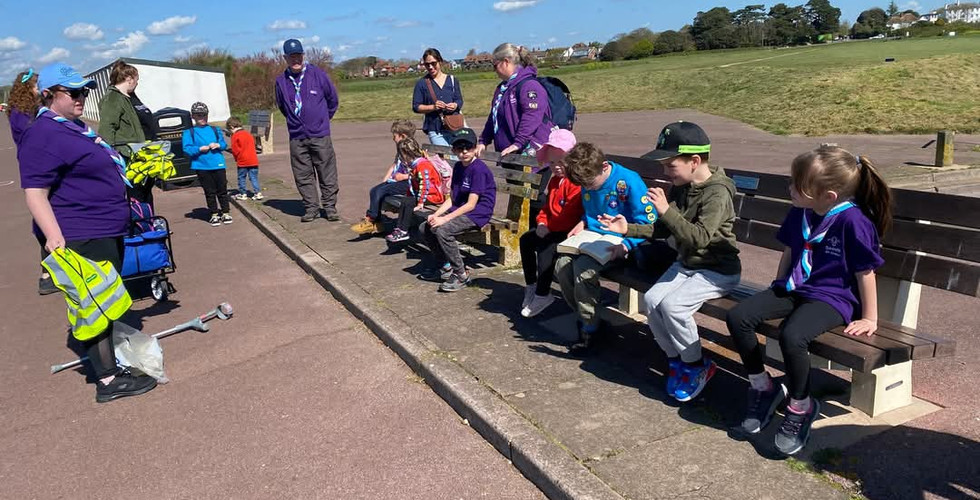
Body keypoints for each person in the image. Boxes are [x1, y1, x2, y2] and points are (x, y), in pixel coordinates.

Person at [725, 145, 891, 456]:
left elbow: (865, 273)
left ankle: (800, 406)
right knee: (739, 317)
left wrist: (870, 318)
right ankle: (763, 386)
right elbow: (790, 251)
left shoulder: (853, 222)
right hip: (795, 288)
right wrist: (777, 286)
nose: (790, 188)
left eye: (797, 185)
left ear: (828, 196)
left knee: (793, 335)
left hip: (833, 298)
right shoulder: (801, 211)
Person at [18, 62, 157, 402]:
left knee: (105, 302)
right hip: (81, 233)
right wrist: (53, 237)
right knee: (93, 307)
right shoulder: (42, 133)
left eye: (85, 90)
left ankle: (111, 365)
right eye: (74, 92)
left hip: (105, 228)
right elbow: (35, 191)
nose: (83, 97)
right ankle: (108, 380)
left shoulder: (73, 127)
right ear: (49, 95)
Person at [599, 122, 741, 402]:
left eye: (670, 165)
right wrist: (627, 228)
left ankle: (697, 364)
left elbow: (700, 238)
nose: (665, 172)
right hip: (687, 264)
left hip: (716, 270)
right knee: (652, 300)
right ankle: (677, 360)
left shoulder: (717, 192)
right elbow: (664, 229)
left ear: (695, 161)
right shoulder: (683, 185)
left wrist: (665, 210)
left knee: (674, 307)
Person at [555, 142, 657, 354]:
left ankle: (590, 329)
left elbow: (648, 222)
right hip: (593, 237)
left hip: (623, 243)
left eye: (591, 184)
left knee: (583, 271)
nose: (590, 188)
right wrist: (582, 222)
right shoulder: (588, 178)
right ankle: (588, 317)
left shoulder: (628, 181)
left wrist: (626, 244)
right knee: (562, 265)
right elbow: (591, 211)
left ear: (603, 167)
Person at [418, 128, 496, 292]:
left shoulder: (479, 170)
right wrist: (436, 214)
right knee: (425, 226)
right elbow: (453, 198)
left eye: (468, 147)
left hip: (477, 213)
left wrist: (445, 219)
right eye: (460, 148)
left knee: (443, 231)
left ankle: (461, 273)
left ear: (475, 148)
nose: (464, 151)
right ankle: (445, 265)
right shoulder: (459, 167)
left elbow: (471, 204)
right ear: (454, 150)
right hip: (460, 207)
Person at [274, 38, 341, 223]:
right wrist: (296, 122)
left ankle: (329, 207)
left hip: (319, 134)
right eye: (291, 56)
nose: (296, 60)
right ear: (285, 58)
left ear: (303, 55)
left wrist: (321, 119)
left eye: (298, 55)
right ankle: (311, 207)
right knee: (302, 174)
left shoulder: (317, 74)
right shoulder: (281, 81)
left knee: (326, 171)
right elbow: (282, 106)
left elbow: (332, 100)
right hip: (297, 136)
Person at [518, 129, 582, 318]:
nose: (556, 167)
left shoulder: (575, 183)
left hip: (570, 231)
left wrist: (548, 228)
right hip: (553, 227)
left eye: (561, 162)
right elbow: (546, 208)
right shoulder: (554, 181)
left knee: (547, 247)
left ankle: (543, 294)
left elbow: (570, 215)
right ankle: (531, 284)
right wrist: (541, 223)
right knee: (526, 240)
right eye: (552, 162)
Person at [6, 68, 56, 296]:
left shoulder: (27, 110)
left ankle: (52, 271)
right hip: (36, 163)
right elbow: (31, 133)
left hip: (39, 161)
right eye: (37, 87)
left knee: (51, 215)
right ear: (28, 89)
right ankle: (47, 274)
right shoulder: (21, 113)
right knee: (44, 218)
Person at [475, 43, 552, 159]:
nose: (494, 70)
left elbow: (532, 116)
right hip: (509, 153)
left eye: (495, 65)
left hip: (531, 155)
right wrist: (483, 140)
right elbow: (494, 116)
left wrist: (518, 143)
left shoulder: (530, 86)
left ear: (506, 62)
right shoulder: (503, 88)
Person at [97, 61, 155, 205]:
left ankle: (149, 224)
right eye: (136, 80)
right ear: (129, 79)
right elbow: (107, 129)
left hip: (140, 154)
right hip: (127, 155)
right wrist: (112, 157)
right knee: (135, 197)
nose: (137, 83)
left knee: (145, 193)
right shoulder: (113, 98)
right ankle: (139, 226)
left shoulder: (129, 97)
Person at [351, 119, 416, 235]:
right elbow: (395, 164)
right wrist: (386, 179)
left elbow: (418, 171)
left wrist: (404, 176)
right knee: (375, 190)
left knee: (381, 191)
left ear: (403, 136)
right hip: (398, 180)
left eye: (394, 135)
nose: (392, 138)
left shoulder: (411, 150)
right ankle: (377, 223)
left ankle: (371, 219)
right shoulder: (401, 148)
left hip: (409, 183)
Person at [386, 137, 446, 243]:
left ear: (407, 154)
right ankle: (400, 229)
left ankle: (403, 230)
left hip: (433, 196)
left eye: (402, 156)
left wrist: (420, 203)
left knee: (408, 202)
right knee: (405, 200)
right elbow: (413, 184)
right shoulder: (415, 165)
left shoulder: (422, 165)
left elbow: (425, 185)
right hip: (423, 194)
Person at [182, 102, 231, 227]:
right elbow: (187, 148)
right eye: (199, 116)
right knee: (209, 191)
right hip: (201, 165)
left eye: (204, 115)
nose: (202, 118)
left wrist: (219, 145)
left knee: (222, 190)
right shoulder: (189, 132)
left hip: (218, 163)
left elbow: (224, 144)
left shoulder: (215, 129)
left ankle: (225, 212)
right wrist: (199, 149)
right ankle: (214, 213)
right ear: (193, 116)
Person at [412, 48, 464, 147]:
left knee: (457, 158)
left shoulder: (452, 80)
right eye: (427, 64)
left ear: (440, 62)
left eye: (433, 63)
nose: (430, 67)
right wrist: (433, 107)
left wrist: (455, 105)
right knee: (444, 158)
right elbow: (416, 106)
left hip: (454, 126)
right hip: (435, 130)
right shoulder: (422, 83)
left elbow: (459, 100)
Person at [227, 117, 262, 200]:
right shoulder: (248, 134)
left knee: (241, 178)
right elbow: (253, 145)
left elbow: (235, 150)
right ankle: (258, 193)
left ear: (231, 127)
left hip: (242, 161)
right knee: (253, 177)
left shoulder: (235, 136)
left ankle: (243, 193)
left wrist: (236, 158)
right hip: (253, 160)